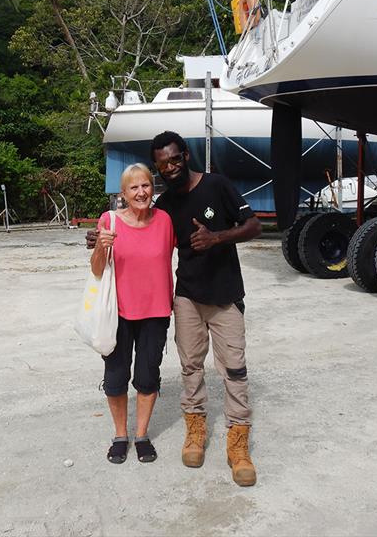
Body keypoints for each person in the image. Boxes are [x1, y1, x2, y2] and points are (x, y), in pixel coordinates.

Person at [87, 131, 262, 486]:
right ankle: (195, 432)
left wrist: (218, 237)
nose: (170, 167)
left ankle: (238, 446)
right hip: (186, 298)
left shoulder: (217, 185)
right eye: (163, 164)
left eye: (175, 159)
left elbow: (254, 225)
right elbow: (132, 219)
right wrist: (97, 238)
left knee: (234, 368)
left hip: (225, 294)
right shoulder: (164, 208)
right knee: (190, 368)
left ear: (185, 154)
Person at [90, 163, 175, 465]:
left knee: (147, 377)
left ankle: (141, 434)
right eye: (133, 187)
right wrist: (101, 247)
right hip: (119, 314)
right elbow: (97, 270)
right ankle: (119, 435)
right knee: (116, 378)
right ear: (123, 193)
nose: (141, 192)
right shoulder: (109, 221)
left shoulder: (165, 221)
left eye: (146, 186)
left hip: (156, 312)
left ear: (153, 189)